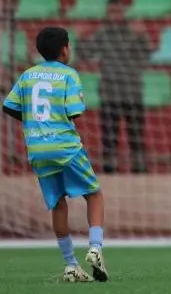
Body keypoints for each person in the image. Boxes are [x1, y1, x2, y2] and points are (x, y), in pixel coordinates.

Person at [2, 27, 109, 283]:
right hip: (64, 145)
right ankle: (95, 248)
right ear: (65, 49)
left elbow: (10, 106)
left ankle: (71, 265)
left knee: (58, 202)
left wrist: (33, 121)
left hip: (37, 148)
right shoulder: (69, 75)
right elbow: (75, 112)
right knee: (94, 194)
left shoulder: (28, 75)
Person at [77, 0, 152, 174]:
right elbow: (84, 54)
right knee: (109, 138)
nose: (115, 15)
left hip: (132, 92)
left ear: (123, 12)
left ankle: (139, 172)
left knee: (136, 138)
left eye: (118, 11)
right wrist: (80, 38)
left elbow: (146, 56)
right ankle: (110, 173)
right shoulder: (102, 34)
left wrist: (143, 36)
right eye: (112, 12)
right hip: (110, 92)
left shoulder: (133, 32)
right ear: (107, 13)